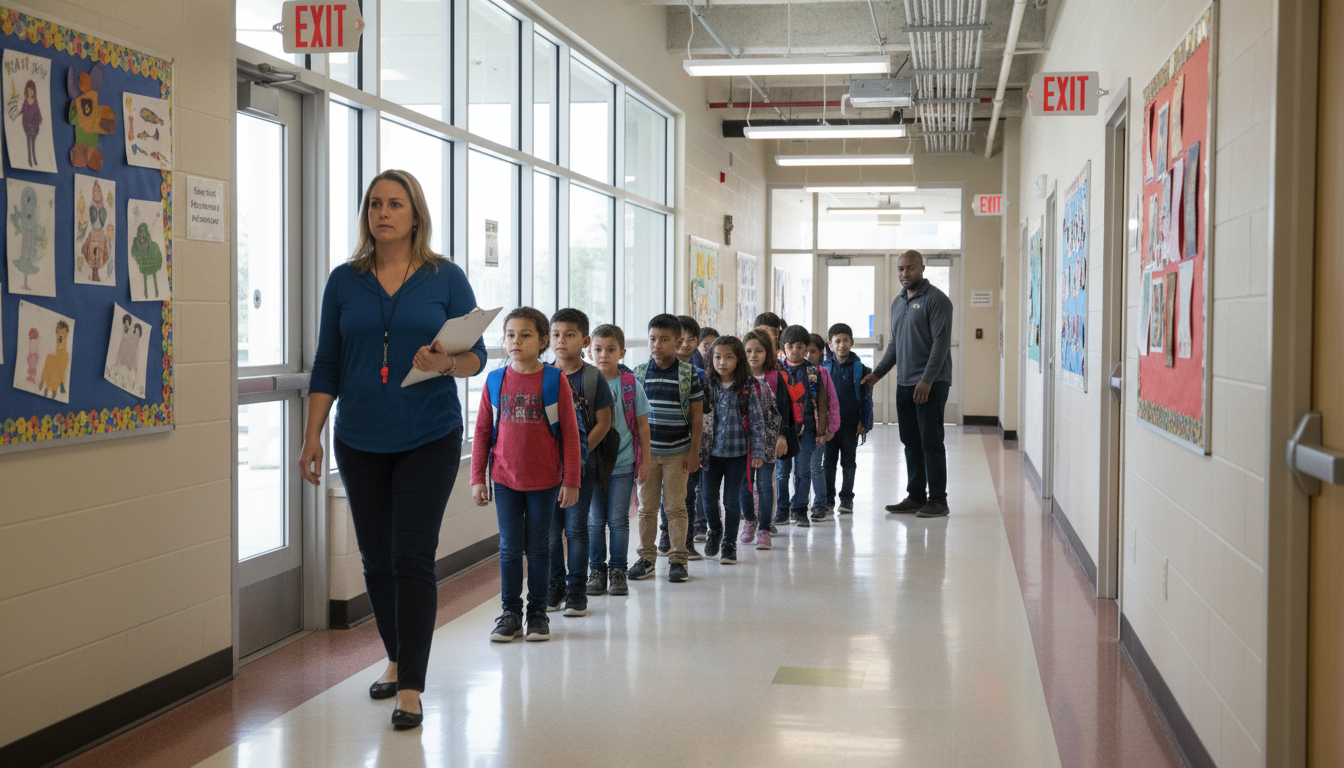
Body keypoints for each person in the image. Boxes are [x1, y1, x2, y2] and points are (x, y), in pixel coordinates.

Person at [301, 170, 487, 731]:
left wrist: (448, 365)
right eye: (375, 204)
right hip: (359, 438)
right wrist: (312, 434)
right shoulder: (344, 280)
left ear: (415, 215)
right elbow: (327, 362)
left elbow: (477, 354)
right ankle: (395, 653)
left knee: (411, 557)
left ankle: (411, 685)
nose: (383, 213)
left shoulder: (444, 277)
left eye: (395, 204)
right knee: (375, 559)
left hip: (428, 434)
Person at [471, 308, 581, 644]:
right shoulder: (495, 379)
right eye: (510, 335)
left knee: (539, 548)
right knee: (508, 548)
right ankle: (510, 613)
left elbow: (571, 434)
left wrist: (571, 479)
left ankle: (537, 614)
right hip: (505, 478)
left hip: (545, 480)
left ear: (543, 341)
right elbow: (482, 432)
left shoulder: (553, 380)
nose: (515, 341)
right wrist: (478, 476)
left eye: (525, 335)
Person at [862, 249, 954, 518]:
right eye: (901, 269)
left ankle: (938, 500)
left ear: (922, 269)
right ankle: (916, 496)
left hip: (931, 384)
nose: (904, 274)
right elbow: (895, 344)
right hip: (905, 384)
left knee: (931, 442)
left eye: (910, 268)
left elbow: (941, 344)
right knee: (910, 442)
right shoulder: (898, 302)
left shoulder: (937, 300)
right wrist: (876, 375)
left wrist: (926, 380)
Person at [546, 309, 613, 617]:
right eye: (557, 334)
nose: (562, 341)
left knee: (575, 530)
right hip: (547, 471)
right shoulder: (544, 374)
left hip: (581, 469)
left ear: (584, 340)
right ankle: (554, 585)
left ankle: (577, 590)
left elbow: (604, 422)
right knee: (549, 532)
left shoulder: (591, 376)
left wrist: (578, 452)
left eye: (570, 335)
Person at [628, 314, 704, 583]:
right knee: (647, 509)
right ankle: (647, 557)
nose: (657, 345)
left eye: (664, 339)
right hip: (648, 456)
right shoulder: (638, 373)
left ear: (677, 342)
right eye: (652, 339)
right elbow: (634, 417)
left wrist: (694, 452)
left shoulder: (688, 374)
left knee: (675, 508)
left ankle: (678, 559)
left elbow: (697, 416)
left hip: (678, 454)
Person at [587, 324, 650, 597]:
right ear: (589, 352)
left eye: (611, 350)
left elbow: (643, 425)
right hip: (591, 464)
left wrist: (644, 460)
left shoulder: (629, 384)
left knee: (618, 521)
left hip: (622, 464)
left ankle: (618, 571)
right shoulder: (585, 382)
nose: (604, 355)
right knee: (593, 521)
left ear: (622, 353)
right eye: (598, 349)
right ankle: (596, 570)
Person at [699, 336, 767, 563]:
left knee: (731, 501)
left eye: (729, 357)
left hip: (738, 454)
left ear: (738, 360)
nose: (722, 362)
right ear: (711, 359)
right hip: (711, 454)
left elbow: (757, 421)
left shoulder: (747, 386)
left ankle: (729, 543)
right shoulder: (707, 384)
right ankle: (715, 531)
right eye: (717, 357)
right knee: (708, 498)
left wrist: (757, 452)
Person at [658, 315, 708, 558]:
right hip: (659, 447)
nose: (685, 344)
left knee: (686, 494)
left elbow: (701, 414)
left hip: (687, 446)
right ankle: (665, 536)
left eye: (691, 340)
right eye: (681, 339)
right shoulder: (653, 369)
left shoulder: (698, 374)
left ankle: (685, 543)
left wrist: (695, 450)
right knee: (663, 496)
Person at [739, 329, 793, 548]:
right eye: (749, 350)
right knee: (745, 483)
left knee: (764, 484)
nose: (753, 355)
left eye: (759, 351)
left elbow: (784, 409)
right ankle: (749, 521)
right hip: (743, 442)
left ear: (767, 353)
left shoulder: (775, 376)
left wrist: (782, 436)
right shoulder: (739, 377)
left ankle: (764, 528)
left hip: (769, 440)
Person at [776, 325, 829, 527]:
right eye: (790, 346)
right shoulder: (777, 371)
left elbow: (822, 402)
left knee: (803, 471)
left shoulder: (814, 371)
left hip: (807, 427)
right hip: (783, 429)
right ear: (783, 348)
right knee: (782, 471)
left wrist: (821, 430)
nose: (795, 351)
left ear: (806, 348)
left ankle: (799, 510)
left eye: (800, 347)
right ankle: (782, 509)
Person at [823, 324, 874, 515]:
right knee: (828, 463)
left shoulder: (861, 368)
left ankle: (846, 499)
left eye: (846, 341)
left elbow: (867, 398)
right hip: (829, 427)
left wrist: (865, 422)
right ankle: (828, 499)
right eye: (837, 341)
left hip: (851, 424)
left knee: (848, 462)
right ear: (830, 344)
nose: (842, 345)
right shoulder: (824, 368)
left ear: (852, 342)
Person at [804, 333, 841, 522]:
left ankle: (820, 504)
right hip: (800, 430)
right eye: (806, 350)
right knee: (799, 470)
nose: (808, 355)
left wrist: (832, 427)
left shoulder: (822, 373)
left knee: (815, 467)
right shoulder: (794, 371)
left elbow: (832, 401)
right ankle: (799, 504)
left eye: (813, 351)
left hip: (819, 429)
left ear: (821, 354)